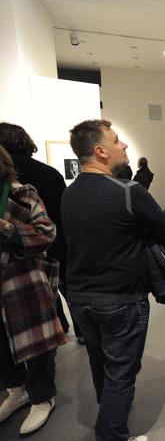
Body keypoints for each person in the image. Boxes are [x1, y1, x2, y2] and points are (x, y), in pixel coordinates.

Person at [61, 119, 165, 441]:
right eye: (116, 141)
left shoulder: (70, 193)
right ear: (100, 151)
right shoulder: (129, 192)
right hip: (121, 300)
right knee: (121, 372)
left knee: (101, 363)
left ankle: (109, 412)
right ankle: (111, 433)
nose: (123, 145)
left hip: (81, 301)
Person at [0, 145, 66, 435]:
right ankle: (16, 390)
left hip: (21, 281)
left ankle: (42, 395)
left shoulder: (20, 193)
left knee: (37, 344)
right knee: (1, 345)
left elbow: (46, 232)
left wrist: (8, 229)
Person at [0, 122, 79, 341]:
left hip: (19, 253)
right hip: (55, 243)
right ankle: (79, 330)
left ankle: (56, 326)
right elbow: (63, 212)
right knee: (65, 285)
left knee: (37, 295)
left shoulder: (8, 179)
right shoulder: (49, 173)